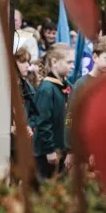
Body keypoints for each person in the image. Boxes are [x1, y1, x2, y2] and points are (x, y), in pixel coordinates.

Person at [32, 44, 74, 180]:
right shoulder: (47, 89)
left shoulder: (66, 86)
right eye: (69, 62)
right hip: (47, 154)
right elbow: (43, 122)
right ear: (54, 62)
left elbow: (69, 117)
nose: (72, 66)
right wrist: (49, 150)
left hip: (62, 149)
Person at [12, 48, 38, 168]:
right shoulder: (3, 86)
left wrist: (29, 126)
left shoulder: (28, 88)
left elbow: (34, 113)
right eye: (23, 62)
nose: (28, 65)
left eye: (28, 62)